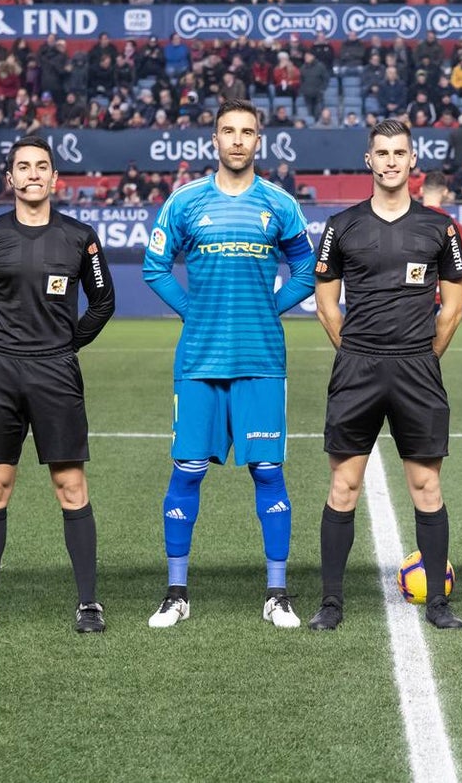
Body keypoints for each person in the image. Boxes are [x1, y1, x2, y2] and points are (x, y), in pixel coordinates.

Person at [142, 98, 316, 629]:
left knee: (268, 470)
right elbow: (155, 267)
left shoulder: (280, 204)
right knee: (187, 471)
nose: (237, 140)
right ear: (214, 140)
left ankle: (278, 593)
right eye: (228, 131)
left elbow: (307, 272)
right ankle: (176, 593)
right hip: (199, 361)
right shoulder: (186, 202)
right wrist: (194, 311)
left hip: (262, 360)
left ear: (259, 141)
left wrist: (270, 308)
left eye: (247, 132)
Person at [308, 119, 462, 631]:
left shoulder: (440, 228)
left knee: (426, 487)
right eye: (384, 152)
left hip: (417, 369)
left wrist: (421, 356)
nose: (392, 160)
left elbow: (454, 309)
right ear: (369, 160)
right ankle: (331, 604)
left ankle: (440, 604)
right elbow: (327, 305)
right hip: (358, 366)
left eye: (401, 152)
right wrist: (358, 350)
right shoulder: (341, 227)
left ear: (412, 160)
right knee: (344, 486)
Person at [0, 135, 116, 634]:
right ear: (10, 178)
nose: (32, 175)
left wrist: (67, 343)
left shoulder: (79, 236)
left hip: (56, 372)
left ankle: (88, 603)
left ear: (54, 178)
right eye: (22, 167)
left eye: (41, 166)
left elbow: (103, 301)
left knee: (70, 485)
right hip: (2, 371)